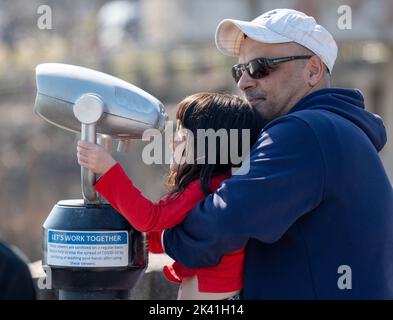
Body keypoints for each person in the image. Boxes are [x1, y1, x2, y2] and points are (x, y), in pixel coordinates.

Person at [162, 9, 393, 299]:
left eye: (260, 67)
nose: (243, 82)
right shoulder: (339, 129)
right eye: (239, 70)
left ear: (313, 70)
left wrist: (163, 230)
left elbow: (219, 225)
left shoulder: (305, 132)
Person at [77, 92, 263, 299]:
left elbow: (150, 219)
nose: (174, 139)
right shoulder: (212, 186)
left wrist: (108, 169)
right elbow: (158, 235)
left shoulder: (205, 188)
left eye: (183, 132)